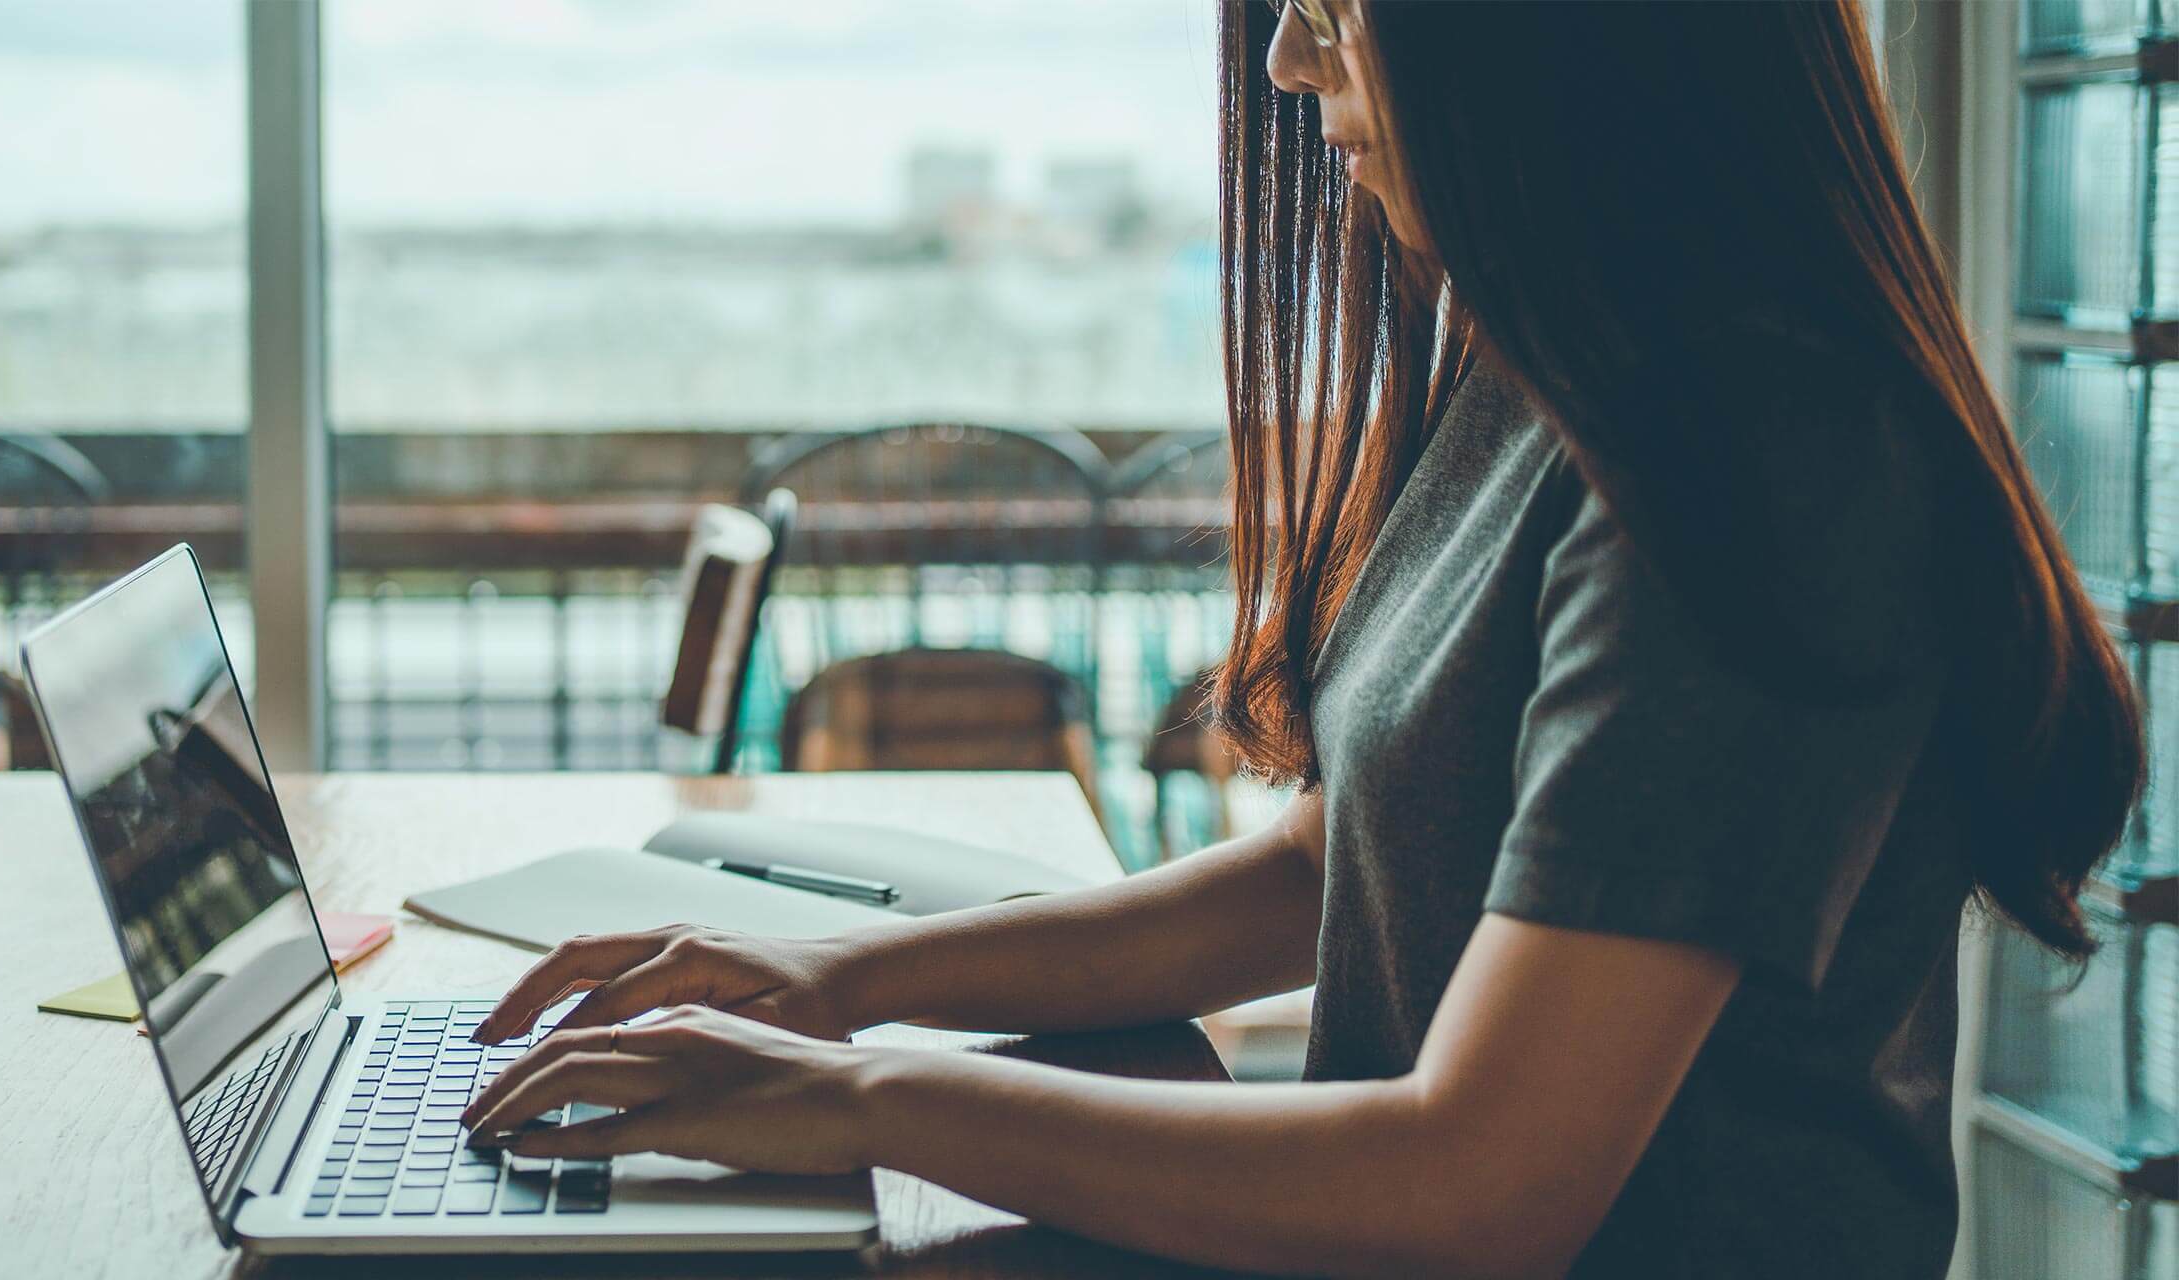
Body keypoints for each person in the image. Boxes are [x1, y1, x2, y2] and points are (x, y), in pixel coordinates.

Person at [458, 2, 2143, 1275]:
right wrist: (838, 986)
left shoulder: (1768, 465)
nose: (1283, 58)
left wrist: (868, 1095)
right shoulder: (1562, 374)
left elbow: (1481, 1184)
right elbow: (1328, 871)